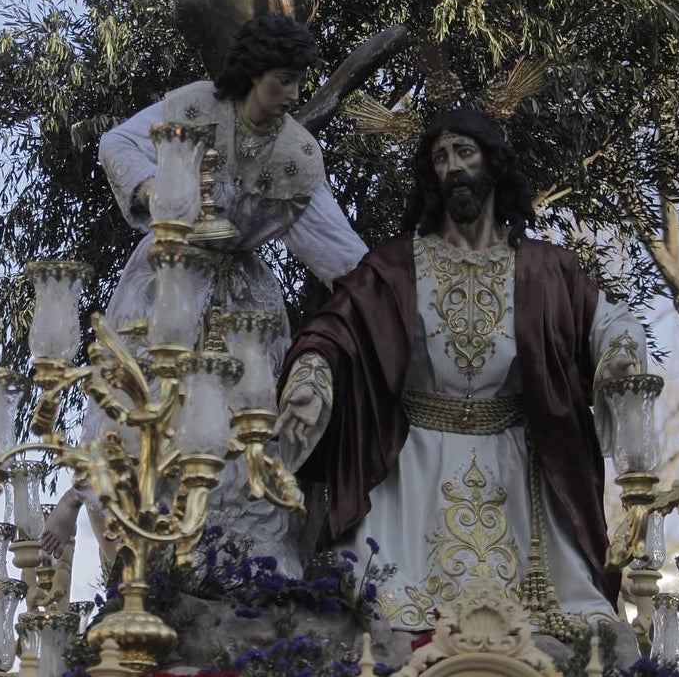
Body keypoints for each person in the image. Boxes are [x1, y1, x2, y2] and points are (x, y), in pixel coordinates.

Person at [275, 107, 644, 636]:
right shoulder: (397, 265)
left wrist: (620, 353)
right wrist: (312, 377)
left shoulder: (544, 267)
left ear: (493, 163)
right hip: (411, 472)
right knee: (376, 620)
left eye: (464, 153)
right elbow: (336, 330)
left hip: (516, 469)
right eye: (441, 157)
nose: (453, 167)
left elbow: (606, 321)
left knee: (579, 626)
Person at [40, 14, 368, 575]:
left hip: (243, 302)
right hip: (169, 278)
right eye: (281, 80)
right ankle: (149, 549)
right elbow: (117, 141)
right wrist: (154, 189)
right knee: (142, 407)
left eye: (297, 82)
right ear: (251, 74)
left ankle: (235, 562)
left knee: (245, 424)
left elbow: (340, 250)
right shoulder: (194, 106)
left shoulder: (297, 155)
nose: (291, 94)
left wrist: (392, 287)